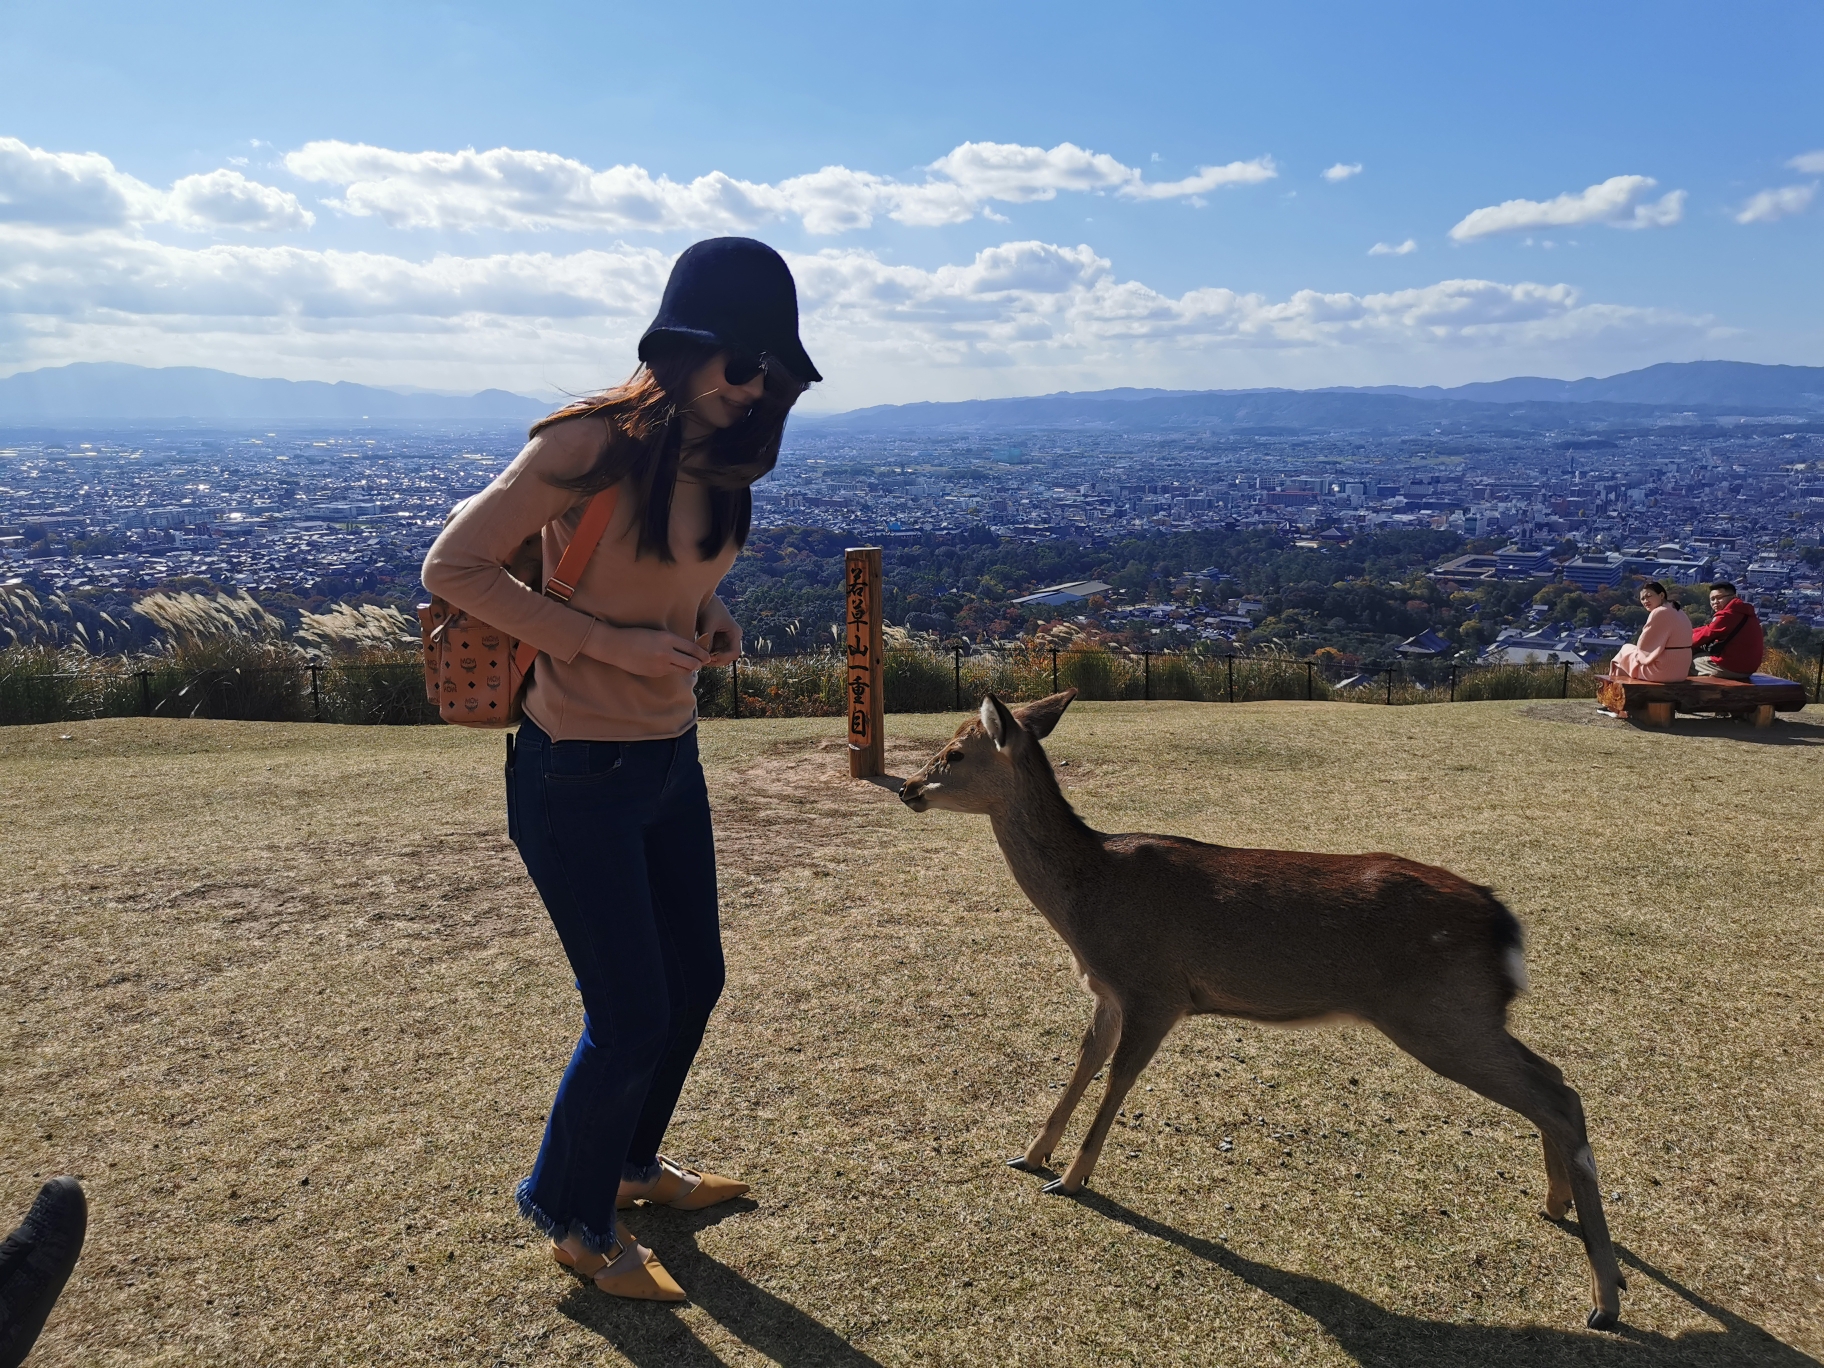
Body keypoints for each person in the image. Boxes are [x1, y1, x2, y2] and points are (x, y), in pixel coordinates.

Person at [422, 238, 820, 1302]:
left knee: (696, 981)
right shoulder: (589, 444)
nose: (754, 389)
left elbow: (667, 576)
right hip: (576, 769)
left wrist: (711, 617)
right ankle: (573, 1216)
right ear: (684, 347)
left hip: (666, 755)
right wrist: (610, 646)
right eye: (742, 364)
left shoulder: (718, 460)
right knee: (633, 1009)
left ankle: (632, 1169)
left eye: (772, 374)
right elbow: (452, 567)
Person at [1607, 581, 1694, 681]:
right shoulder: (1677, 610)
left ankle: (1615, 693)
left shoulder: (1659, 612)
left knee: (1623, 654)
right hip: (1681, 671)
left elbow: (1646, 647)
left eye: (1649, 596)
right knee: (1627, 654)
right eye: (1642, 599)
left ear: (1661, 595)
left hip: (1664, 670)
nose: (1645, 601)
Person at [1690, 581, 1764, 679]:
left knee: (1688, 662)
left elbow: (1702, 636)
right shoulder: (1743, 612)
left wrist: (1681, 638)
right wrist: (1689, 631)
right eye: (1712, 599)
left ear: (1733, 596)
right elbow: (1709, 628)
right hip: (1747, 668)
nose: (1715, 602)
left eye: (1719, 598)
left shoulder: (1727, 615)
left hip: (1732, 667)